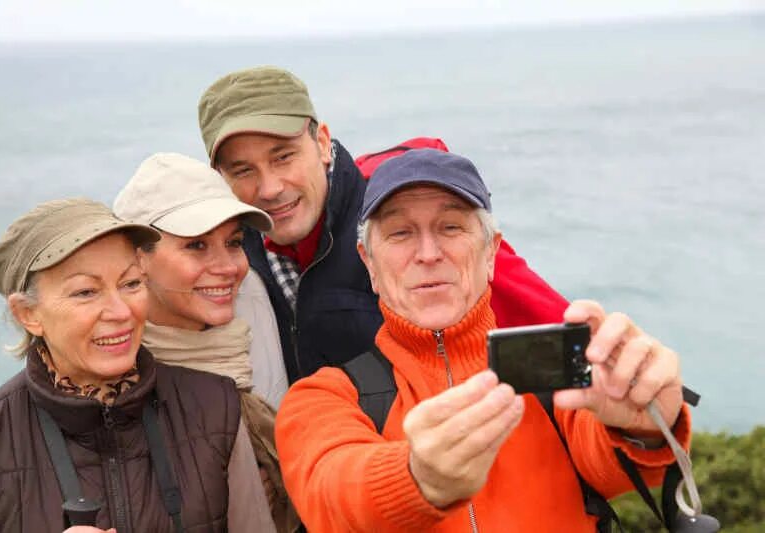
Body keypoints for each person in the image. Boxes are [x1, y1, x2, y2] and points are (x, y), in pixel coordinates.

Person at [273, 149, 691, 532]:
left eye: (451, 226)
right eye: (400, 233)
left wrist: (640, 424)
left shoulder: (553, 371)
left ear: (491, 252)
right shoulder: (322, 398)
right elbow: (333, 496)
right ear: (370, 265)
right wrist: (416, 477)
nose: (428, 252)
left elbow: (609, 463)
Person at [197, 65, 569, 384]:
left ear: (323, 143)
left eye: (284, 157)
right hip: (319, 446)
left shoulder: (402, 218)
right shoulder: (230, 252)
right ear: (220, 177)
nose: (270, 188)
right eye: (242, 170)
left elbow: (554, 341)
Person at [0, 199, 276, 533]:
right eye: (85, 292)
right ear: (28, 314)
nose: (121, 311)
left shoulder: (216, 405)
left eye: (131, 284)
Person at [113, 152, 300, 533]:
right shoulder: (112, 369)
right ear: (138, 260)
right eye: (196, 245)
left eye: (234, 242)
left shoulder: (250, 304)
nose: (229, 267)